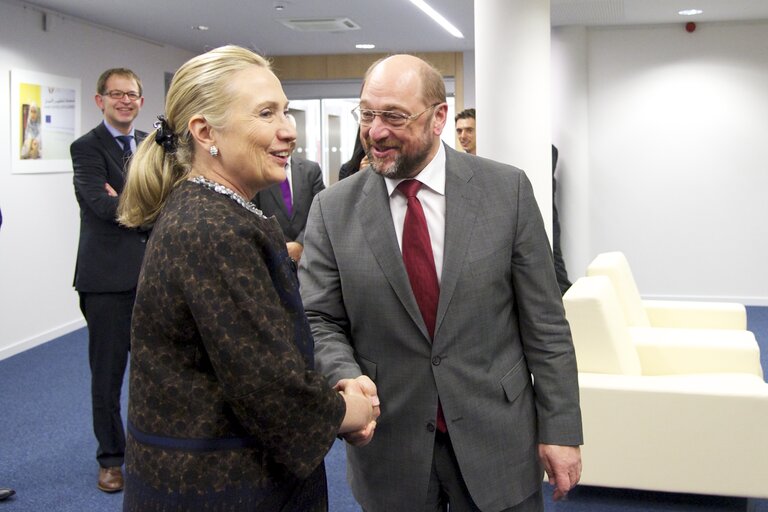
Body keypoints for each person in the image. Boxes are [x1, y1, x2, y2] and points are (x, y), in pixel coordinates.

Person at [299, 54, 582, 512]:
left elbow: (546, 323)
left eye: (393, 116)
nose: (375, 131)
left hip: (498, 433)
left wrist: (561, 428)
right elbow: (319, 318)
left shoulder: (505, 192)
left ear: (439, 118)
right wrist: (346, 377)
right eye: (367, 114)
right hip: (391, 442)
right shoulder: (333, 209)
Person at [117, 45, 378, 511]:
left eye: (285, 111)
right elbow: (269, 388)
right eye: (265, 113)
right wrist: (349, 410)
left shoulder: (216, 211)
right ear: (204, 131)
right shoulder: (212, 229)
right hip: (219, 487)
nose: (288, 131)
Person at [71, 67, 148, 493]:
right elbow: (101, 207)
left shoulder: (149, 146)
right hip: (105, 282)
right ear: (100, 100)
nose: (125, 101)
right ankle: (110, 459)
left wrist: (128, 202)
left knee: (154, 370)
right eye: (116, 94)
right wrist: (145, 206)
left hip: (151, 277)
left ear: (140, 101)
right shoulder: (85, 148)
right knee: (107, 376)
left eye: (132, 94)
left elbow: (170, 200)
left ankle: (147, 448)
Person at [252, 115, 325, 262]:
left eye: (290, 137)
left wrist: (300, 243)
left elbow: (321, 212)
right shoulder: (257, 172)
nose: (286, 142)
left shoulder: (311, 170)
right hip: (271, 255)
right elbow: (253, 214)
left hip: (309, 255)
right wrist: (283, 245)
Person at [551, 145, 572, 294]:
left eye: (469, 130)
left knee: (555, 262)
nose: (462, 136)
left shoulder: (548, 151)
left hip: (547, 218)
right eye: (461, 131)